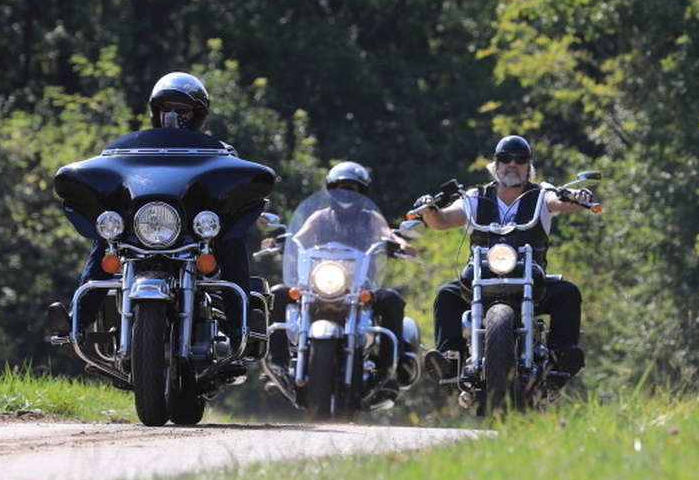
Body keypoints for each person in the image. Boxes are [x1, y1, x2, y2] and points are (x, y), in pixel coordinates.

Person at [50, 71, 250, 337]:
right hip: (144, 227)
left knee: (231, 239)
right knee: (105, 241)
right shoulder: (134, 150)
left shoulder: (219, 152)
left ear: (198, 114)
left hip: (191, 232)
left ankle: (239, 324)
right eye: (166, 109)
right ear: (155, 112)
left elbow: (231, 187)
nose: (173, 116)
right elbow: (117, 176)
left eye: (183, 110)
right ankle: (79, 320)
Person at [408, 134, 594, 380]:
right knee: (446, 295)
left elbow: (558, 201)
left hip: (531, 280)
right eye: (505, 159)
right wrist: (429, 208)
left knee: (567, 293)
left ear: (529, 167)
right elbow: (442, 220)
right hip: (480, 278)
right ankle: (449, 358)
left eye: (520, 160)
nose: (512, 165)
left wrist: (577, 198)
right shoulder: (475, 197)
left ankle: (561, 356)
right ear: (495, 165)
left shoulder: (541, 194)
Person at [266, 161, 410, 382]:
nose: (345, 194)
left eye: (351, 188)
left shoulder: (370, 218)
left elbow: (386, 233)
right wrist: (280, 243)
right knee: (277, 293)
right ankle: (278, 363)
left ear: (362, 192)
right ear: (331, 190)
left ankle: (388, 369)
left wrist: (398, 243)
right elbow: (299, 238)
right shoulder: (321, 217)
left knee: (392, 300)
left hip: (359, 286)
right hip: (319, 283)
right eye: (340, 187)